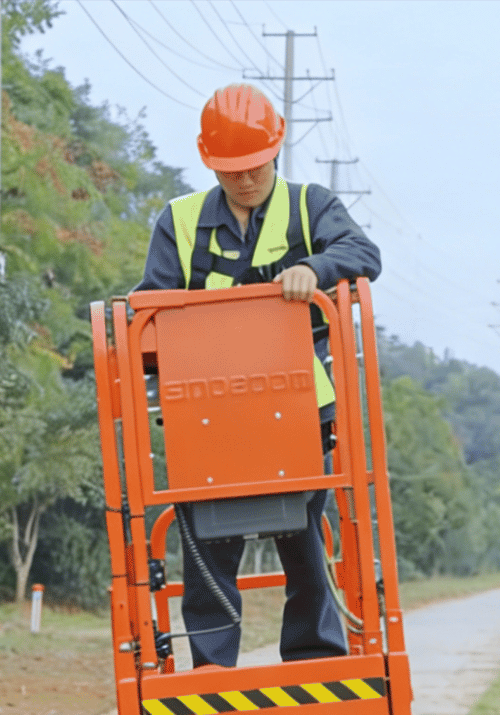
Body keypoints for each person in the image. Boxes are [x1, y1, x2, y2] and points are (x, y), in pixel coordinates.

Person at [134, 83, 382, 669]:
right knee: (209, 555)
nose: (244, 178)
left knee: (304, 542)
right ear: (210, 162)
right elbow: (150, 306)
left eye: (254, 164)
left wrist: (314, 267)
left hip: (298, 410)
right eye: (231, 169)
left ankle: (315, 660)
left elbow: (364, 255)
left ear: (275, 149)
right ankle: (213, 674)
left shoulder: (310, 205)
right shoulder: (180, 221)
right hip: (206, 416)